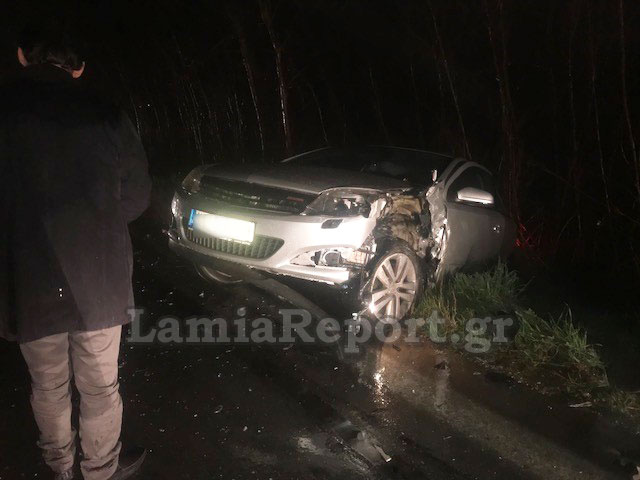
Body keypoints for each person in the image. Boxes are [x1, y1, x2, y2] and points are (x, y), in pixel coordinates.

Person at [0, 21, 152, 480]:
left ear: (22, 56)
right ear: (79, 67)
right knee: (100, 386)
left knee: (48, 385)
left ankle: (60, 468)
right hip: (98, 277)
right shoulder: (106, 114)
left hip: (28, 276)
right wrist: (95, 226)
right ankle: (100, 469)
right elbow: (136, 197)